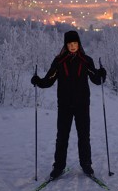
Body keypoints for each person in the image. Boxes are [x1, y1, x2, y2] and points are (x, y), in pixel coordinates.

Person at [31, 30, 106, 179]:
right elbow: (49, 80)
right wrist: (38, 81)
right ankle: (58, 167)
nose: (72, 46)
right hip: (64, 105)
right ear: (66, 45)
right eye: (70, 43)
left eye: (75, 43)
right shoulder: (59, 61)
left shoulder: (86, 60)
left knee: (84, 136)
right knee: (62, 136)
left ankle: (86, 165)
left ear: (79, 44)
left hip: (82, 104)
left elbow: (96, 80)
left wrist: (102, 73)